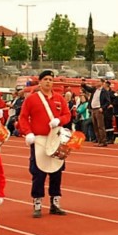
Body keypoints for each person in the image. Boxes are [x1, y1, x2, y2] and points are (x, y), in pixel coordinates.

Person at [18, 70, 72, 217]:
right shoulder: (31, 99)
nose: (48, 82)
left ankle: (55, 202)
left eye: (51, 79)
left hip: (55, 138)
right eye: (46, 79)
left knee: (57, 171)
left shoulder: (59, 98)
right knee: (39, 172)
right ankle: (37, 203)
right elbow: (23, 117)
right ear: (40, 81)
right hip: (39, 139)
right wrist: (27, 132)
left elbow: (67, 115)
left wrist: (59, 121)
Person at [89, 77, 111, 147]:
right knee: (95, 126)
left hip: (99, 109)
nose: (96, 82)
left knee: (100, 126)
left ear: (102, 83)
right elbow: (88, 89)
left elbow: (108, 102)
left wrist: (102, 108)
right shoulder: (94, 90)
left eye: (98, 81)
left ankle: (103, 141)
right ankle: (99, 140)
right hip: (93, 109)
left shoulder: (104, 91)